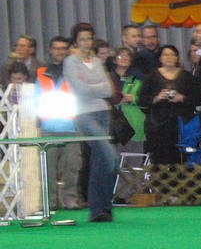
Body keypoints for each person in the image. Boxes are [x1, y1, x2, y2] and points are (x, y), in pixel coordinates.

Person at [62, 22, 117, 223]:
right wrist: (98, 86)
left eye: (89, 38)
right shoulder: (71, 62)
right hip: (84, 115)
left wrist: (94, 86)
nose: (86, 42)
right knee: (110, 155)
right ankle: (99, 206)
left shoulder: (95, 60)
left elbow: (109, 90)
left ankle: (101, 208)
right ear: (76, 41)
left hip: (103, 112)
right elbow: (81, 89)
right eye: (82, 39)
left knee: (101, 160)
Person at [34, 37, 82, 210]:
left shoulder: (76, 71)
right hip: (48, 127)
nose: (60, 52)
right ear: (50, 50)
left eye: (63, 48)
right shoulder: (40, 72)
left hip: (72, 125)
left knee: (72, 166)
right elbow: (35, 97)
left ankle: (70, 199)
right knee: (48, 168)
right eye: (56, 48)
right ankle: (50, 200)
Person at [140, 45, 196, 164]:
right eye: (165, 54)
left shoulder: (187, 76)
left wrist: (182, 98)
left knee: (181, 157)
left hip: (181, 123)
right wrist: (156, 98)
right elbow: (142, 99)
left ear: (177, 58)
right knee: (160, 157)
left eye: (172, 55)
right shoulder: (152, 76)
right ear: (160, 58)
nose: (169, 57)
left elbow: (197, 98)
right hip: (158, 125)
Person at [110, 47, 146, 151]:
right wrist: (116, 101)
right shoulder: (108, 78)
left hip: (134, 123)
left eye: (128, 56)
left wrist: (134, 98)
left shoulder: (139, 79)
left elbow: (147, 99)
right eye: (121, 55)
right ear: (114, 60)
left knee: (135, 161)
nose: (124, 58)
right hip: (114, 124)